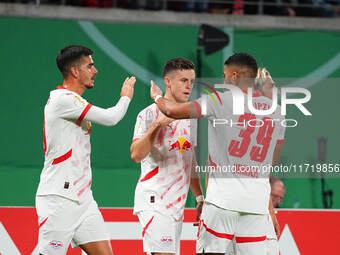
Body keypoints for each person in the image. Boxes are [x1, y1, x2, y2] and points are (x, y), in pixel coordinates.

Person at [150, 53, 285, 255]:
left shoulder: (220, 99)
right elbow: (271, 162)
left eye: (224, 75)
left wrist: (157, 97)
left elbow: (172, 111)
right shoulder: (278, 111)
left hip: (222, 200)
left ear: (234, 76)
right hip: (256, 205)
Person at [36, 45, 136, 255]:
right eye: (90, 66)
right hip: (59, 199)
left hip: (83, 200)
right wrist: (125, 97)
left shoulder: (75, 102)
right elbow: (111, 118)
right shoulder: (63, 100)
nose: (95, 70)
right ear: (75, 71)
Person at [130, 58, 204, 255]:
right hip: (154, 200)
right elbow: (136, 155)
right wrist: (157, 125)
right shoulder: (148, 114)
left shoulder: (191, 117)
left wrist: (199, 197)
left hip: (176, 206)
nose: (189, 86)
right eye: (183, 80)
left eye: (192, 81)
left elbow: (190, 158)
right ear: (168, 81)